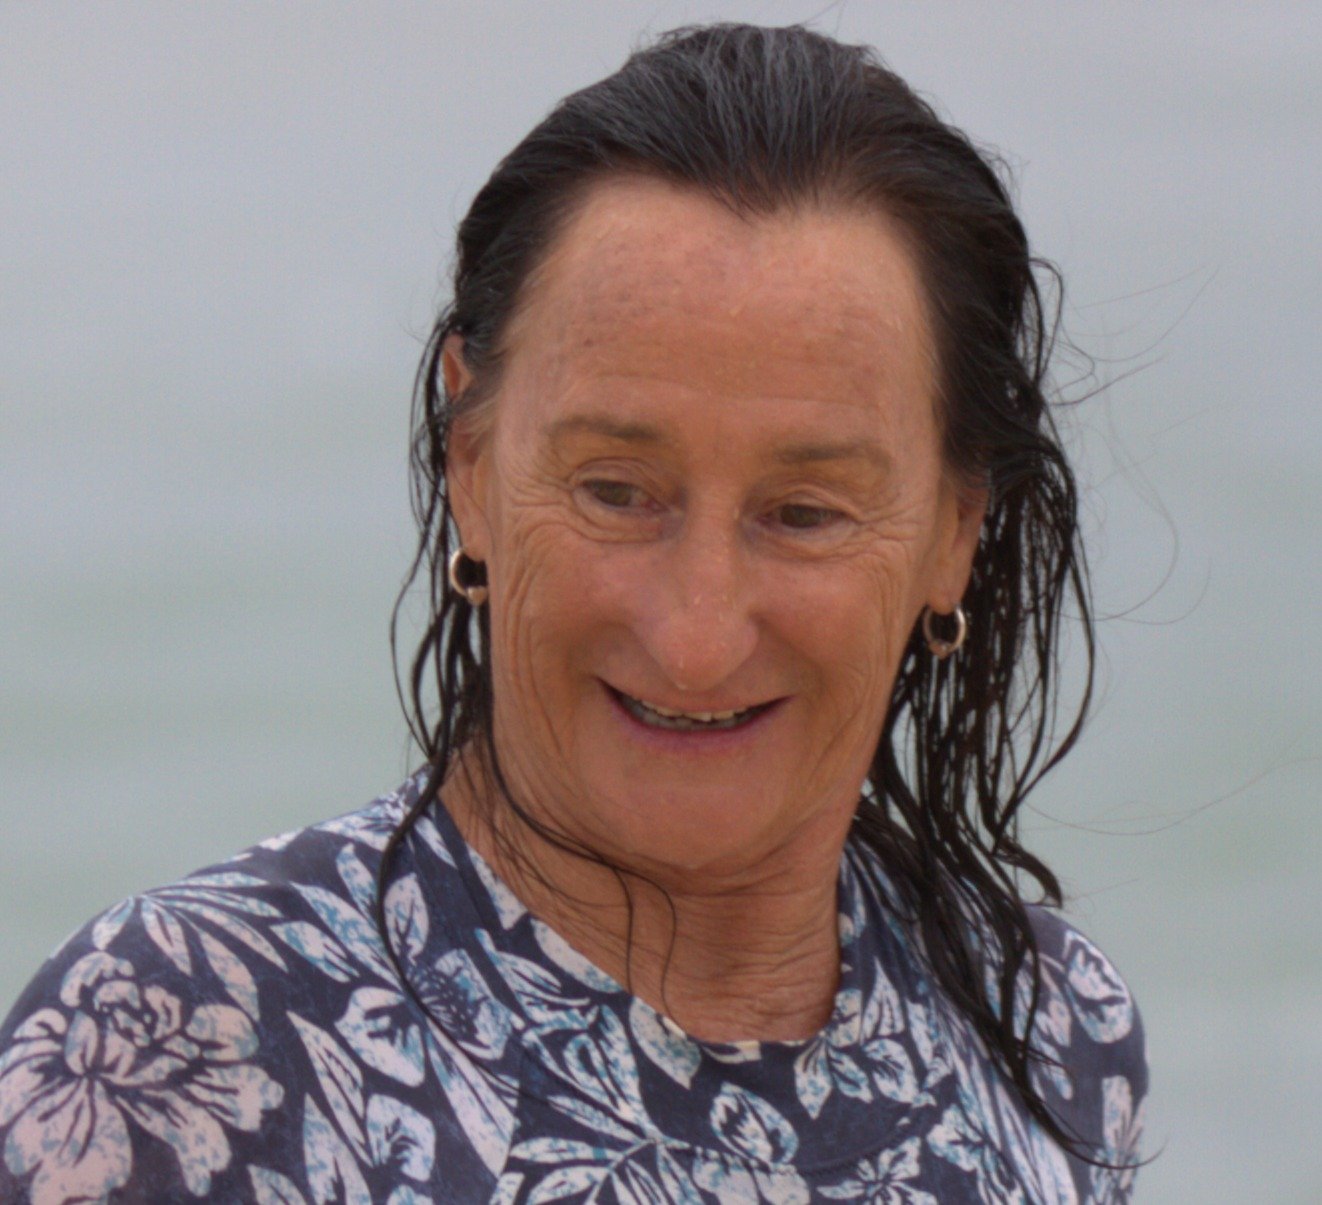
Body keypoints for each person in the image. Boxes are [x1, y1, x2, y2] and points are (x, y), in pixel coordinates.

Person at [0, 23, 1147, 1204]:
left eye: (802, 511)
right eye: (615, 491)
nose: (695, 634)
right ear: (471, 456)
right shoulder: (176, 1046)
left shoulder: (1046, 1027)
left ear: (954, 529)